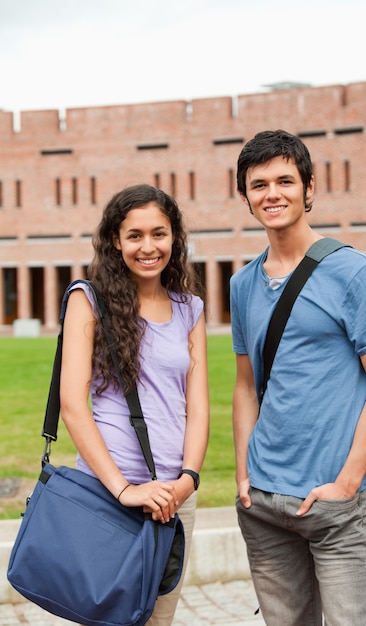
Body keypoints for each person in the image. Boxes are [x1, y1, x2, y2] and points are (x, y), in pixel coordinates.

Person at [230, 130, 366, 626]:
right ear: (246, 197)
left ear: (309, 188)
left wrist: (348, 482)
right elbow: (244, 384)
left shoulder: (355, 272)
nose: (272, 194)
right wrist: (244, 473)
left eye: (284, 180)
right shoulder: (242, 283)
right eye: (258, 185)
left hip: (336, 504)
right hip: (263, 502)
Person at [60, 183, 210, 626]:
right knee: (100, 617)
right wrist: (124, 489)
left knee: (158, 619)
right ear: (115, 240)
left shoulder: (190, 308)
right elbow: (73, 404)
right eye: (135, 235)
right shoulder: (88, 301)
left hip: (174, 500)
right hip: (109, 495)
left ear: (175, 238)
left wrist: (187, 480)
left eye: (159, 234)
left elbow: (197, 407)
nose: (149, 247)